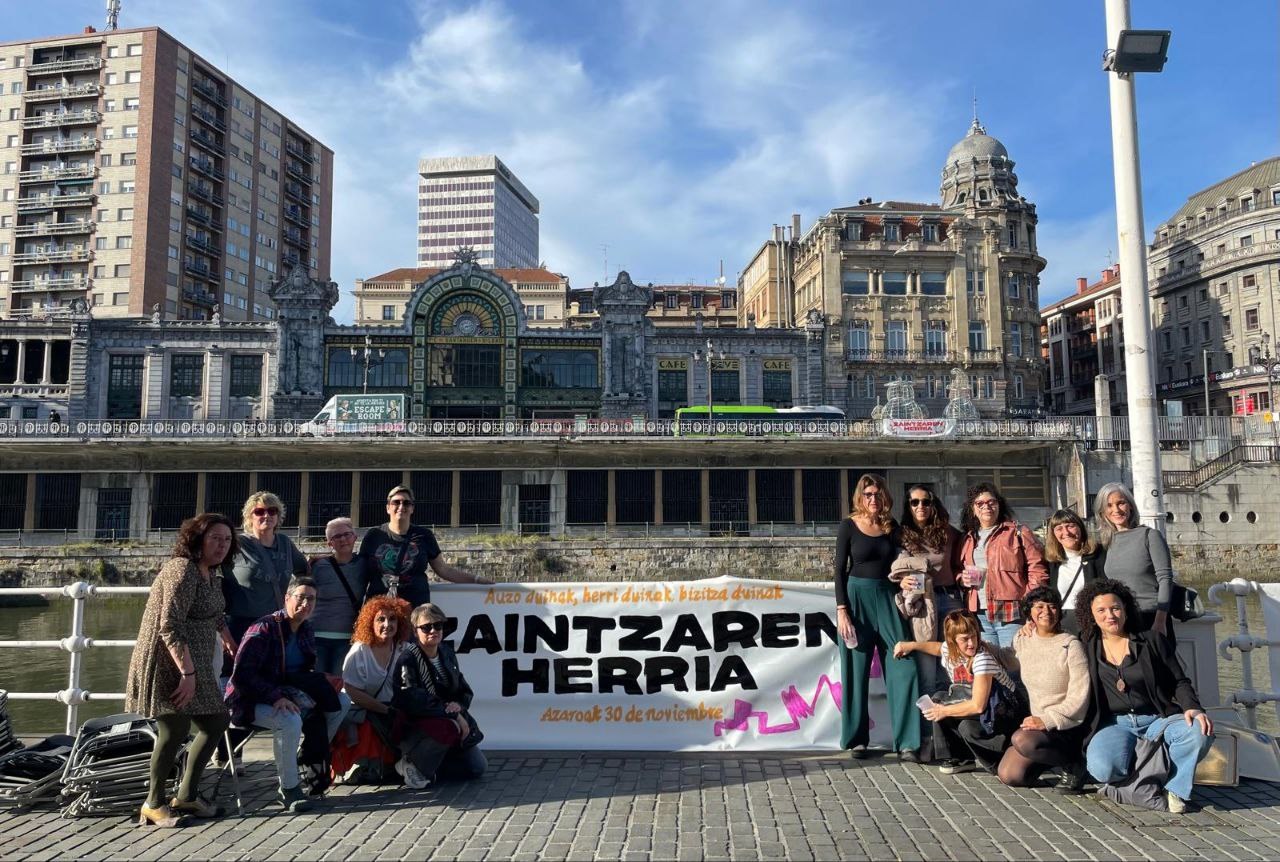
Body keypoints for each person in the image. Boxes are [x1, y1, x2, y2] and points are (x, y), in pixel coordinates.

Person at [125, 513, 239, 826]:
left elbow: (212, 612)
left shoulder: (211, 574)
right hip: (168, 662)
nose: (221, 545)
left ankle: (187, 795)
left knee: (216, 721)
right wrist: (187, 675)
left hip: (197, 663)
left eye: (227, 540)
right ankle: (154, 802)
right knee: (174, 728)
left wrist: (227, 636)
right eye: (215, 538)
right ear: (197, 538)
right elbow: (169, 625)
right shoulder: (182, 569)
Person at [1077, 579, 1213, 814]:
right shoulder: (1086, 645)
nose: (1110, 615)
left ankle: (1175, 789)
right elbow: (1050, 629)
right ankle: (1143, 771)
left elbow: (1179, 681)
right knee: (1103, 770)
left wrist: (1193, 707)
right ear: (1091, 614)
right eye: (1101, 610)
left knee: (1199, 731)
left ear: (1126, 609)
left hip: (1157, 717)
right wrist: (1029, 627)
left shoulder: (1151, 640)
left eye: (1115, 608)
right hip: (1115, 723)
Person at [224, 576, 351, 813]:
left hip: (287, 692)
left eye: (311, 599)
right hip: (248, 699)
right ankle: (289, 789)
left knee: (341, 701)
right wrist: (275, 697)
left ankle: (309, 755)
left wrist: (322, 680)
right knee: (289, 720)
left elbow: (301, 672)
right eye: (300, 597)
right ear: (286, 598)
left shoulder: (306, 629)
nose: (306, 604)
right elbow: (243, 675)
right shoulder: (263, 628)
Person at [834, 473, 921, 761]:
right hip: (856, 600)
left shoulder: (891, 526)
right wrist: (842, 610)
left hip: (887, 598)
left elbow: (903, 560)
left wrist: (905, 580)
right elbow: (838, 569)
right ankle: (857, 739)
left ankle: (907, 741)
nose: (874, 499)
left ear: (885, 497)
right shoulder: (848, 526)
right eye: (868, 494)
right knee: (855, 670)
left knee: (903, 664)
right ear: (860, 497)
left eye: (878, 494)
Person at [894, 610, 1025, 774]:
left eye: (974, 637)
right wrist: (910, 645)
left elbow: (978, 706)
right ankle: (959, 758)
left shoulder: (982, 659)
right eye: (965, 639)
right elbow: (936, 648)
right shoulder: (949, 650)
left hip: (1005, 711)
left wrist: (943, 711)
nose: (971, 643)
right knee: (938, 699)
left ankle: (998, 760)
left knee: (966, 727)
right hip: (986, 708)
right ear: (952, 642)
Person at [997, 587, 1090, 791]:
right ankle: (1047, 761)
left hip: (1066, 725)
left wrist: (1047, 720)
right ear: (1029, 612)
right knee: (1009, 775)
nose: (1046, 612)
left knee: (1020, 738)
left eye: (1052, 606)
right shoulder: (1024, 639)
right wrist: (978, 646)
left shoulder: (1070, 645)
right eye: (1039, 606)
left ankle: (1074, 763)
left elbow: (1079, 697)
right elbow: (1008, 659)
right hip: (1038, 728)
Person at [392, 603, 487, 788]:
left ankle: (434, 766)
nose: (433, 630)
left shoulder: (447, 653)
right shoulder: (408, 658)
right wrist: (451, 713)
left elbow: (463, 689)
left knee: (477, 768)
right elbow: (412, 699)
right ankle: (412, 762)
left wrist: (459, 706)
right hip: (417, 724)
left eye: (438, 625)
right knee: (449, 727)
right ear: (415, 630)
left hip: (446, 718)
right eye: (426, 627)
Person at [359, 485, 492, 606]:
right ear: (388, 507)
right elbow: (360, 574)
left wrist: (477, 580)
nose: (401, 506)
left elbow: (444, 570)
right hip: (380, 610)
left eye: (406, 503)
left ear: (412, 508)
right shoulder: (374, 535)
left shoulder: (424, 535)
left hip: (414, 608)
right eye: (396, 502)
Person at [956, 482, 1048, 648]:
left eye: (992, 502)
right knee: (991, 667)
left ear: (999, 505)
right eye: (980, 503)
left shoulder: (1018, 532)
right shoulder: (967, 538)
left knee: (1013, 664)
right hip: (978, 614)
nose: (987, 507)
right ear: (973, 509)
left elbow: (1038, 570)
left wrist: (1029, 603)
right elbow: (957, 569)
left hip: (1011, 611)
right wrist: (961, 579)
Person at [332, 596, 411, 785]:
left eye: (392, 619)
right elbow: (351, 691)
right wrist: (384, 710)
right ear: (370, 622)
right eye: (381, 619)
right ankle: (362, 766)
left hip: (393, 709)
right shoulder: (360, 651)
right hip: (362, 711)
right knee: (370, 725)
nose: (387, 624)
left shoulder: (404, 649)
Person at [895, 484, 963, 699]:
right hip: (923, 604)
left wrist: (962, 576)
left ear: (933, 505)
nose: (920, 506)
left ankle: (957, 723)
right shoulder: (901, 535)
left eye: (926, 501)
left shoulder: (948, 533)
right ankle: (929, 731)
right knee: (927, 668)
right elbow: (894, 568)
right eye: (915, 502)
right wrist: (901, 580)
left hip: (950, 599)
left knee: (954, 664)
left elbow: (962, 561)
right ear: (908, 506)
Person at [223, 491, 309, 647]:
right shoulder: (237, 544)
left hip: (276, 623)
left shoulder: (285, 543)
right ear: (250, 517)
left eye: (272, 511)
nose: (266, 515)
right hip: (242, 624)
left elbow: (304, 572)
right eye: (259, 511)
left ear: (278, 516)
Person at [1094, 483, 1173, 636]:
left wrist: (1160, 620)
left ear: (1130, 506)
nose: (1116, 510)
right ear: (1103, 512)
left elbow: (1165, 579)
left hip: (1150, 617)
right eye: (1109, 505)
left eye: (1121, 503)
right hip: (1121, 621)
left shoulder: (1150, 536)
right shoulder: (1108, 543)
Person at [311, 517, 384, 676]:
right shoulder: (317, 566)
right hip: (316, 636)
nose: (343, 539)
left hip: (347, 637)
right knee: (317, 685)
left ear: (355, 537)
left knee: (339, 685)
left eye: (347, 534)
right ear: (329, 543)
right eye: (337, 536)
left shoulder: (365, 565)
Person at [1043, 509, 1106, 635]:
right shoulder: (1050, 562)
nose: (1066, 532)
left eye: (1070, 526)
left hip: (1092, 622)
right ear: (1053, 534)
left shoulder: (1099, 555)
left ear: (1081, 528)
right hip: (1062, 623)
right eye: (1059, 528)